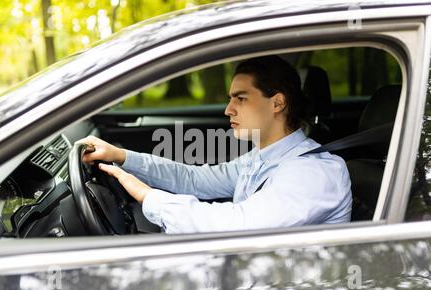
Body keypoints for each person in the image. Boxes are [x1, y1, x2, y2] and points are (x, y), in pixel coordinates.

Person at [78, 55, 352, 234]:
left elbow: (239, 224)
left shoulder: (313, 173)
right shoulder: (263, 157)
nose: (228, 110)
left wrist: (148, 197)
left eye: (240, 99)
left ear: (277, 103)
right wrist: (122, 156)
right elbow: (195, 179)